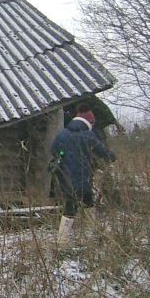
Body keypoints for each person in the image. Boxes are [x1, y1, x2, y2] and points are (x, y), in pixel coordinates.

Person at [50, 103, 116, 247]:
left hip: (65, 177)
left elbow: (54, 150)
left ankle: (70, 238)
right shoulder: (88, 134)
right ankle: (66, 240)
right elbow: (101, 151)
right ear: (89, 122)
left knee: (82, 202)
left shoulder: (62, 134)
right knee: (78, 206)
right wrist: (111, 156)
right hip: (83, 177)